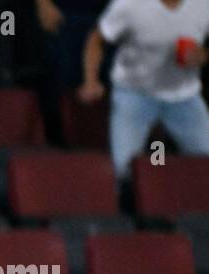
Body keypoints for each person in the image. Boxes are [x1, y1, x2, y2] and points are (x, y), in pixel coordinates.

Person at [80, 0, 209, 179]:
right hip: (134, 94)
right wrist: (90, 80)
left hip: (184, 95)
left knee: (204, 164)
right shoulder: (129, 5)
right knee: (123, 171)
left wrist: (204, 55)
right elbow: (96, 39)